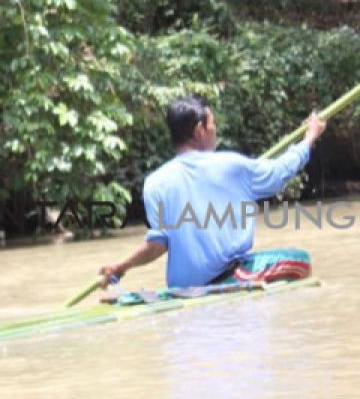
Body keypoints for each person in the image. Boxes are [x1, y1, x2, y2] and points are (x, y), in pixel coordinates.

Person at [98, 94, 327, 290]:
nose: (215, 130)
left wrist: (121, 267)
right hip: (226, 278)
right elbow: (279, 172)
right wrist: (309, 138)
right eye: (212, 124)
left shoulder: (154, 182)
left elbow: (157, 245)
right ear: (199, 131)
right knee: (301, 260)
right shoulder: (230, 165)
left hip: (182, 288)